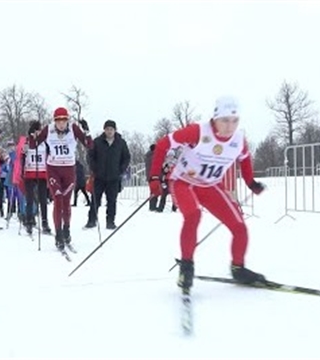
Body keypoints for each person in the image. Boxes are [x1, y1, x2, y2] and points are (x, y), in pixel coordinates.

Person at [148, 96, 266, 291]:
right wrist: (154, 177)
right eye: (225, 120)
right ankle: (187, 267)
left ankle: (238, 268)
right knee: (193, 215)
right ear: (215, 118)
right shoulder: (197, 131)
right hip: (183, 182)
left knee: (239, 226)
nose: (230, 126)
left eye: (235, 121)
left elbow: (244, 159)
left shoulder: (238, 139)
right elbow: (163, 144)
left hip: (210, 185)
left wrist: (251, 182)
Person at [29, 107, 92, 251]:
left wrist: (86, 132)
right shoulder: (49, 129)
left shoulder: (73, 129)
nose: (61, 124)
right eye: (58, 121)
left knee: (66, 202)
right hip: (53, 170)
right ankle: (58, 234)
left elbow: (89, 145)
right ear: (54, 121)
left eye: (64, 121)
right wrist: (31, 133)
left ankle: (66, 229)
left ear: (67, 120)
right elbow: (34, 145)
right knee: (58, 200)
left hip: (69, 170)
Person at [86, 120, 131, 229]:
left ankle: (110, 221)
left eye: (111, 129)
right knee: (95, 200)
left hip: (114, 177)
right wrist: (94, 168)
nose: (109, 131)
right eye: (107, 129)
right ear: (104, 130)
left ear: (115, 130)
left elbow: (126, 157)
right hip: (99, 177)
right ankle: (92, 220)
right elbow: (90, 156)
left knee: (112, 201)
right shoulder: (97, 142)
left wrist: (121, 169)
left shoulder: (121, 143)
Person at [21, 121, 51, 235]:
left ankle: (44, 221)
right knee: (29, 199)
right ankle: (29, 220)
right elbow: (22, 156)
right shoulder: (27, 142)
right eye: (38, 130)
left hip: (42, 173)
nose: (39, 132)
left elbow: (50, 154)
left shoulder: (45, 142)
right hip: (29, 173)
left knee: (43, 199)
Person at [144, 144, 158, 211]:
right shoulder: (153, 157)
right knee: (154, 191)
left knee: (153, 191)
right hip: (154, 176)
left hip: (150, 176)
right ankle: (152, 206)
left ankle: (152, 206)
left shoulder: (148, 156)